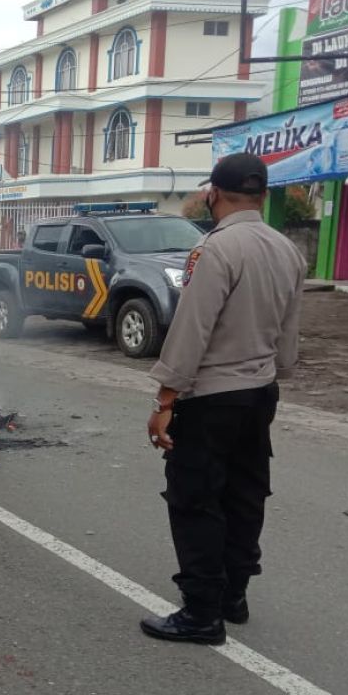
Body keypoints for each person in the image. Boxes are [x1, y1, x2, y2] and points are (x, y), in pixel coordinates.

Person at [141, 153, 306, 646]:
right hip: (260, 393)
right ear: (264, 196)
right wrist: (272, 374)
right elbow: (289, 336)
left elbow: (193, 328)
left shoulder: (214, 249)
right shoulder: (287, 249)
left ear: (213, 193)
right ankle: (234, 595)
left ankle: (201, 614)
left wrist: (165, 398)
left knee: (195, 499)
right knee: (244, 495)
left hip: (212, 396)